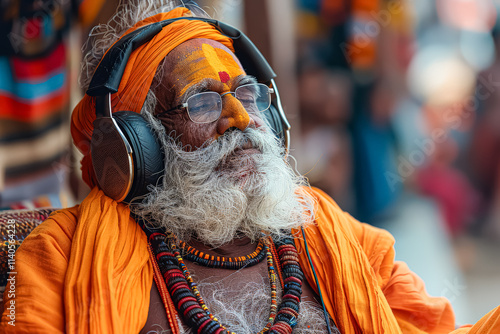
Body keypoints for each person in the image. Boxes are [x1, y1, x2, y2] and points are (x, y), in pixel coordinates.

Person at [1, 1, 499, 333]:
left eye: (248, 94)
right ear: (138, 144)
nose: (242, 119)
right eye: (202, 103)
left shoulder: (331, 233)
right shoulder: (62, 260)